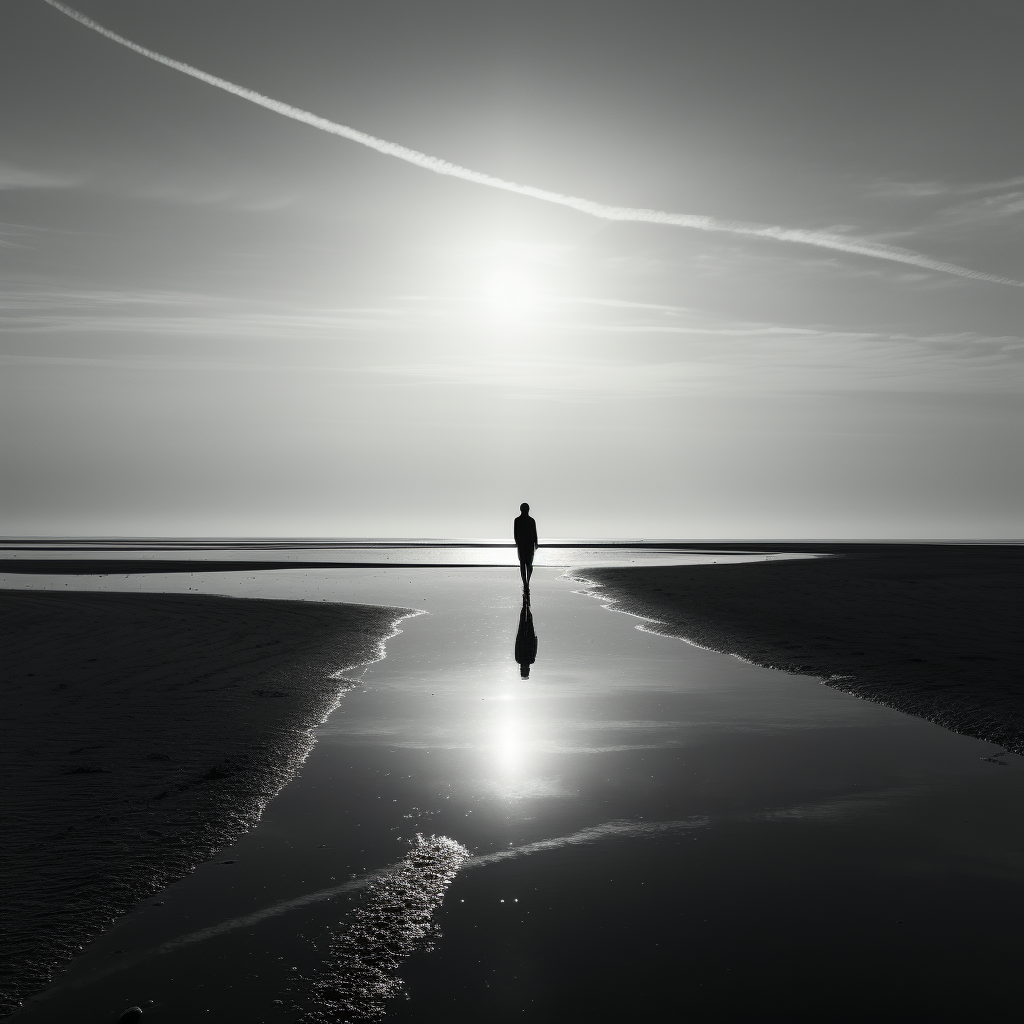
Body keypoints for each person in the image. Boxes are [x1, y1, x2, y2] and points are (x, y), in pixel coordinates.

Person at [513, 502, 538, 594]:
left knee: (524, 565)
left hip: (523, 545)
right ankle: (526, 582)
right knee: (528, 565)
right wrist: (536, 543)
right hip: (527, 545)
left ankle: (525, 582)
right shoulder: (530, 520)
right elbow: (534, 533)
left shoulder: (519, 520)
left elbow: (515, 534)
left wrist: (518, 543)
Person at [514, 596, 538, 678]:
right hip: (528, 638)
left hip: (524, 637)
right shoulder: (529, 660)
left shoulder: (523, 660)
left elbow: (517, 646)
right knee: (527, 618)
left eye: (523, 670)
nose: (524, 669)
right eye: (525, 671)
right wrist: (535, 639)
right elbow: (534, 649)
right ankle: (526, 600)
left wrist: (535, 639)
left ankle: (526, 600)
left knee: (525, 617)